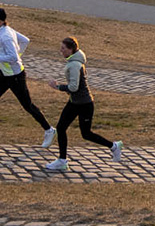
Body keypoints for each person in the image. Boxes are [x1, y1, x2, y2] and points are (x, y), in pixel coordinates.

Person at [40, 36, 122, 173]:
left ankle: (114, 146)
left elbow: (73, 87)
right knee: (61, 128)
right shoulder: (76, 61)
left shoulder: (74, 65)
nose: (61, 51)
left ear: (71, 50)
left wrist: (58, 87)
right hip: (76, 102)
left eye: (63, 48)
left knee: (86, 133)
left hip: (84, 104)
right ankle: (62, 160)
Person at [0, 7, 53, 145]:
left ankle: (49, 130)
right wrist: (17, 55)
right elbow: (25, 41)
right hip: (6, 75)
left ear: (2, 21)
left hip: (16, 77)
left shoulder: (5, 35)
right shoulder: (5, 30)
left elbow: (13, 57)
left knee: (27, 105)